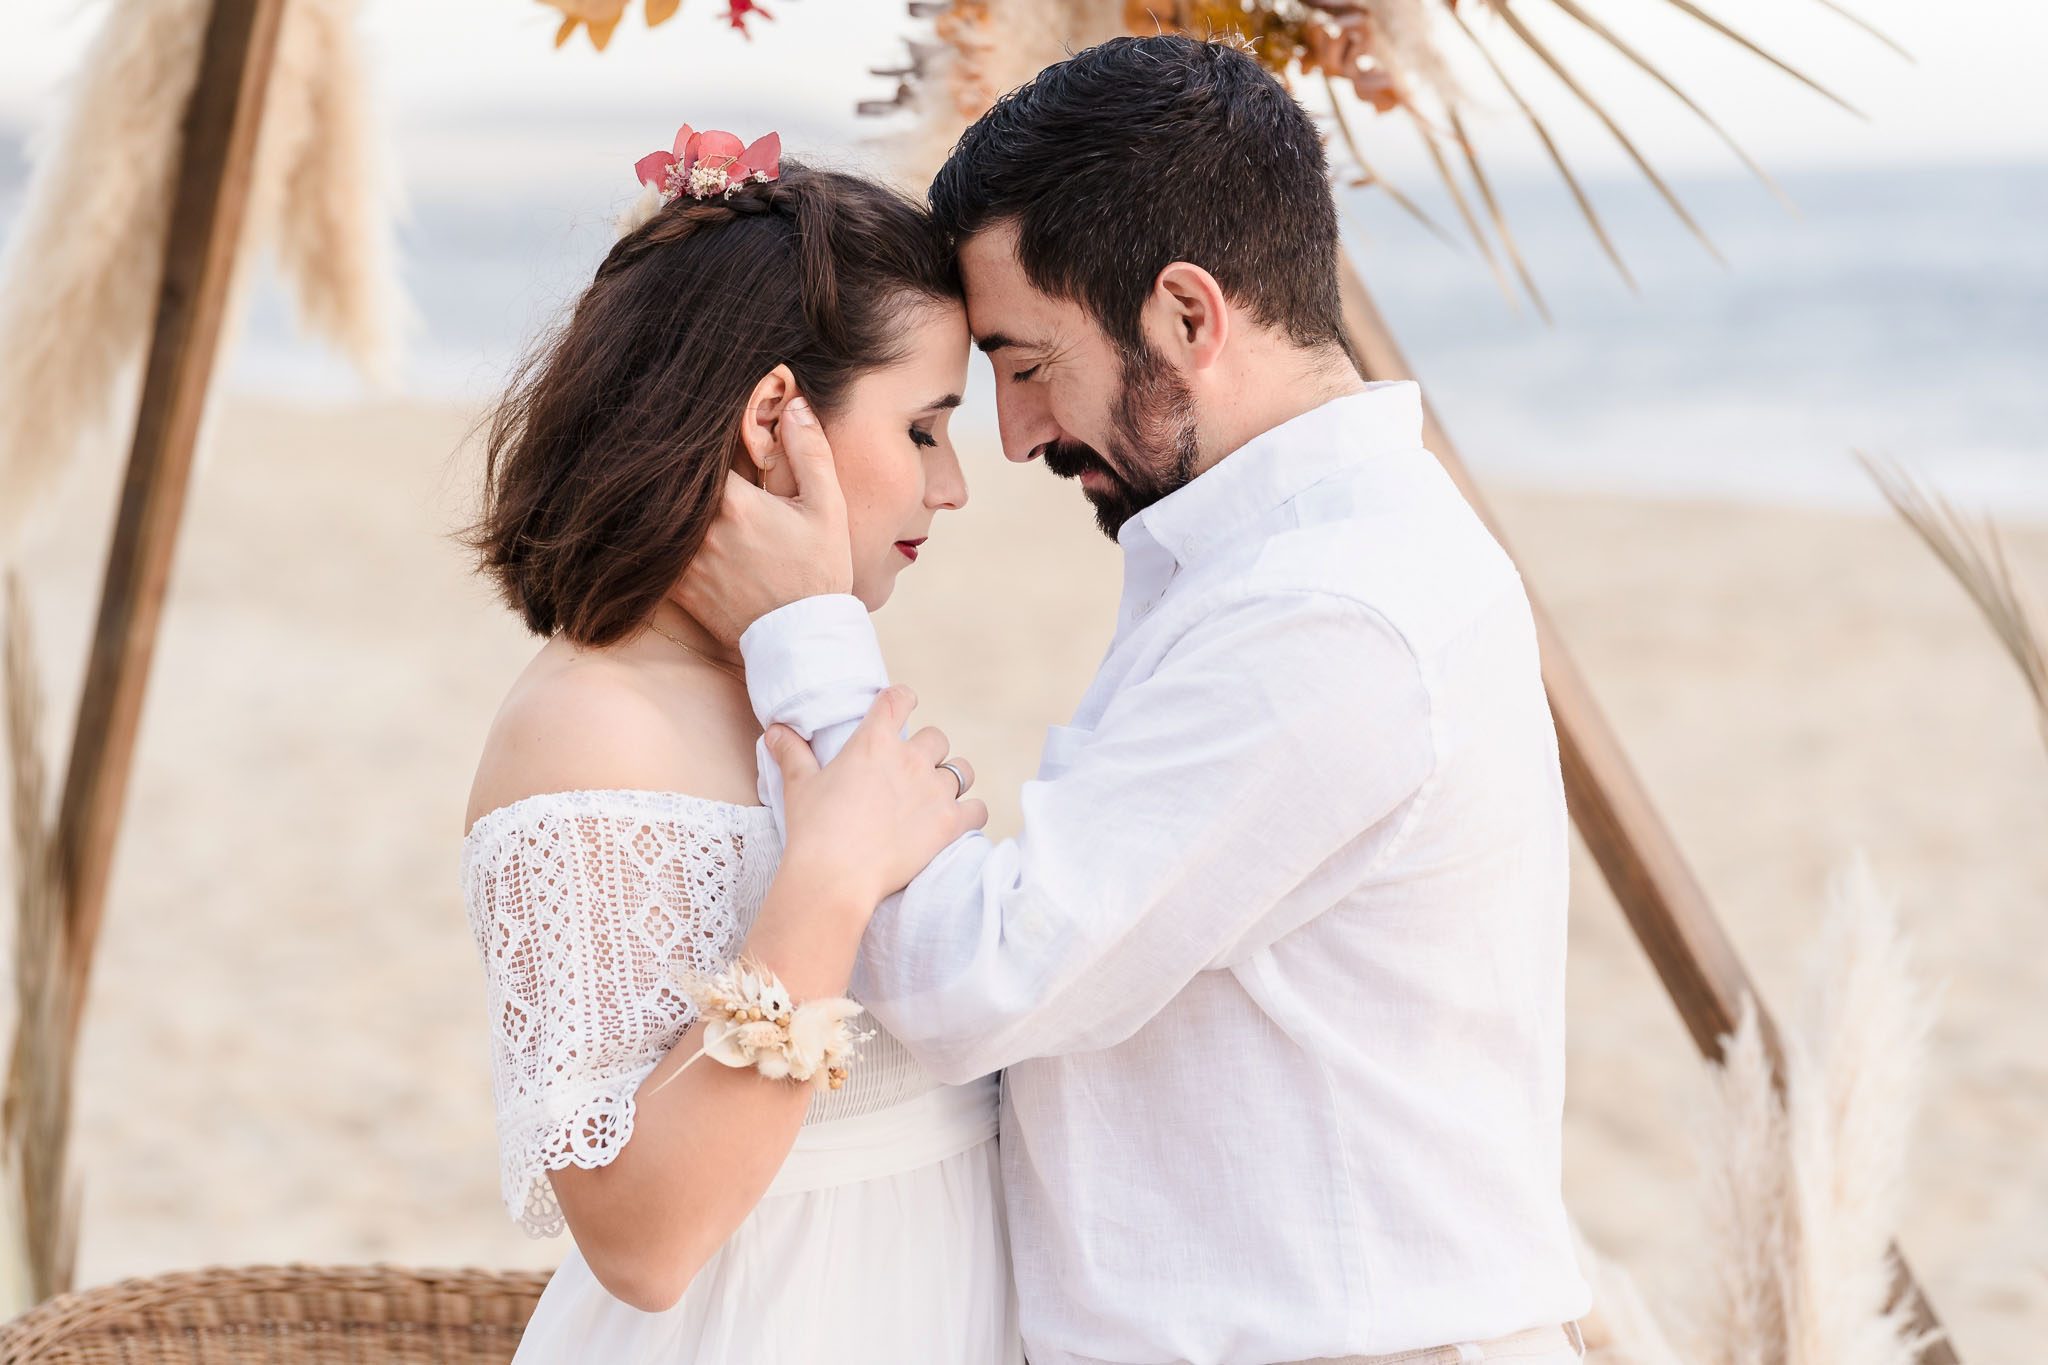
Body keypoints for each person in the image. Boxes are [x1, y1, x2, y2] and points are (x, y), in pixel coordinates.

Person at [678, 36, 1594, 1365]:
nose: (1016, 434)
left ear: (1184, 315)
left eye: (1029, 361)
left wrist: (803, 627)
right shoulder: (1287, 559)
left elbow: (965, 980)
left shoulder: (1329, 612)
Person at [457, 144, 1022, 1362]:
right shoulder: (590, 724)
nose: (954, 482)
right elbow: (643, 1243)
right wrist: (821, 886)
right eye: (923, 428)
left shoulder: (788, 679)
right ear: (776, 420)